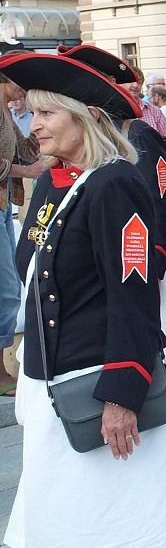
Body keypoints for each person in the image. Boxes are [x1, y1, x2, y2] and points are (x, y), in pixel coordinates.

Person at [0, 52, 166, 548]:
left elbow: (133, 297)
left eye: (46, 113)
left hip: (99, 392)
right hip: (56, 387)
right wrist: (21, 341)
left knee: (122, 528)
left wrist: (122, 394)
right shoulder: (52, 183)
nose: (34, 125)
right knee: (73, 528)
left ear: (86, 116)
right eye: (29, 112)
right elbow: (36, 275)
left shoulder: (115, 184)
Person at [59, 44, 166, 443]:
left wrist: (148, 268)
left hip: (148, 262)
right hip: (121, 266)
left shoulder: (137, 131)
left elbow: (159, 207)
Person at [0, 72, 45, 397]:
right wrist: (25, 172)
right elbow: (24, 163)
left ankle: (2, 370)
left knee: (8, 288)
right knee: (7, 290)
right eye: (19, 80)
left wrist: (44, 129)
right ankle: (1, 373)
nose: (23, 86)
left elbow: (26, 150)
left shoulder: (5, 108)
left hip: (4, 203)